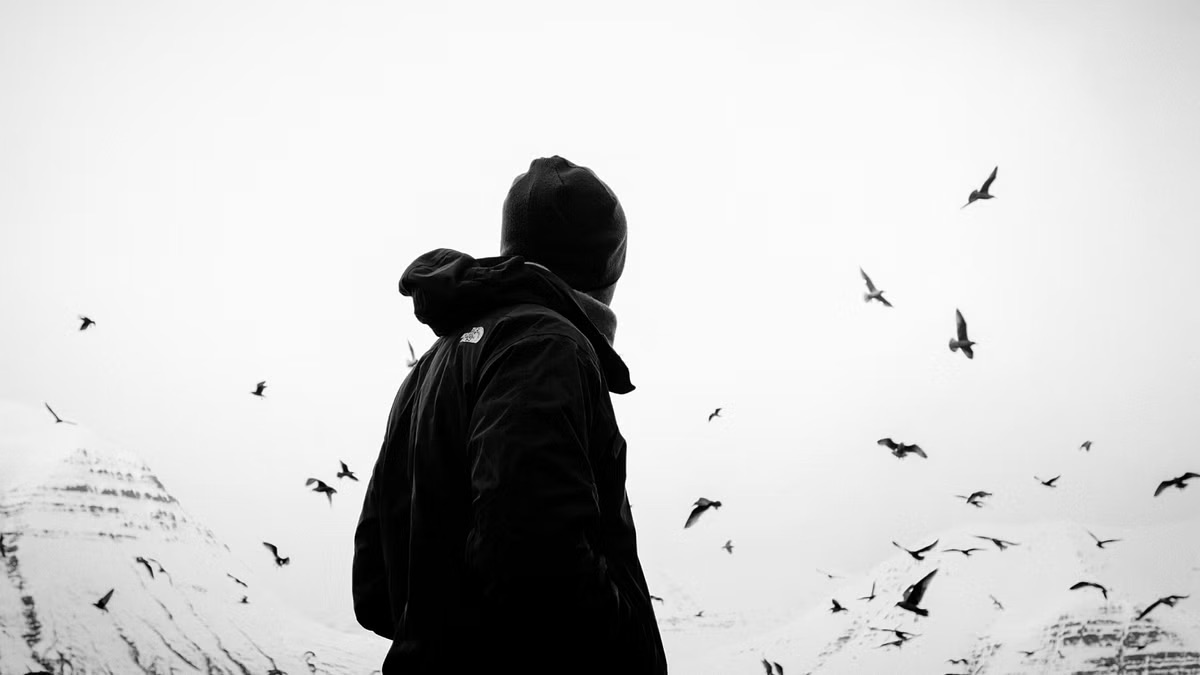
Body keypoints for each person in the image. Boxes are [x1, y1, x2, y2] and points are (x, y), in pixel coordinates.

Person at [352, 156, 667, 674]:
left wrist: (437, 624)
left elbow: (375, 589)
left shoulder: (428, 369)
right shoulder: (546, 343)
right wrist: (631, 655)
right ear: (606, 267)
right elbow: (535, 555)